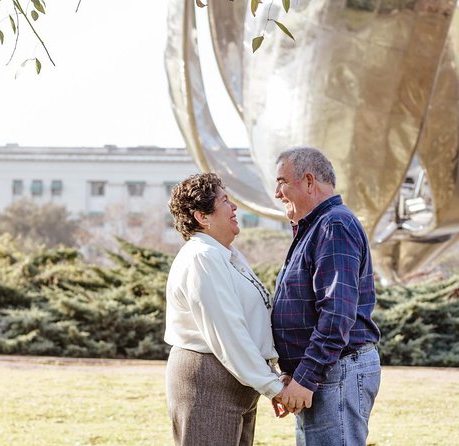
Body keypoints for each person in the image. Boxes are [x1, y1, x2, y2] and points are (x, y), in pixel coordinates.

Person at [271, 147, 382, 445]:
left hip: (335, 374)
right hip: (324, 375)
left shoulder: (333, 225)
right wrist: (293, 375)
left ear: (308, 182)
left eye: (282, 182)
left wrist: (305, 378)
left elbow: (336, 315)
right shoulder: (316, 227)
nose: (277, 193)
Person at [164, 172, 285, 446]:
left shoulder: (226, 255)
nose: (234, 208)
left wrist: (268, 378)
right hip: (209, 382)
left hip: (235, 383)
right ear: (202, 217)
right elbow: (228, 332)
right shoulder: (202, 258)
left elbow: (254, 323)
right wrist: (273, 387)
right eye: (225, 201)